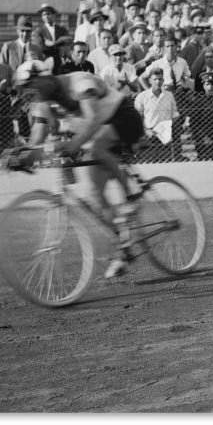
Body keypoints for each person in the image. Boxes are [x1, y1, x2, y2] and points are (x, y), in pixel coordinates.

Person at [10, 59, 144, 277]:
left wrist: (74, 144)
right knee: (95, 196)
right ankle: (124, 247)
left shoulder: (79, 83)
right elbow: (37, 136)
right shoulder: (43, 101)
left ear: (45, 79)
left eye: (31, 86)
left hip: (124, 118)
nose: (29, 92)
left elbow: (93, 119)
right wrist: (23, 154)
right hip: (99, 133)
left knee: (98, 146)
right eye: (26, 89)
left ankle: (131, 197)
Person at [134, 67, 180, 156]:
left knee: (167, 160)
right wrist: (147, 130)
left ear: (163, 80)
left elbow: (174, 115)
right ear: (150, 81)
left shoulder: (169, 95)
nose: (158, 82)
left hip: (166, 135)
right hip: (149, 135)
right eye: (155, 79)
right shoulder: (142, 97)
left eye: (160, 79)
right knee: (150, 161)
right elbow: (137, 118)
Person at [189, 72, 213, 160]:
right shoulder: (198, 102)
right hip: (204, 139)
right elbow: (194, 123)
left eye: (212, 84)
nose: (210, 87)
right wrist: (203, 136)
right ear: (203, 86)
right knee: (205, 161)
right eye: (207, 84)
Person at [32, 3, 69, 73]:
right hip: (46, 61)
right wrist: (57, 42)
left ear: (54, 15)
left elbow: (66, 43)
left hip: (60, 60)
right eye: (44, 15)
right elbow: (40, 47)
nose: (46, 16)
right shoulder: (39, 30)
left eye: (48, 14)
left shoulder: (61, 29)